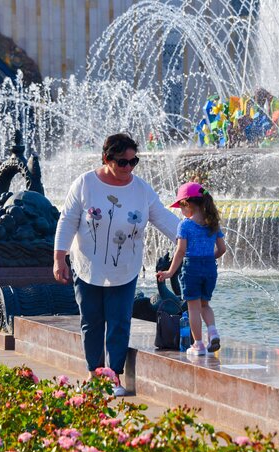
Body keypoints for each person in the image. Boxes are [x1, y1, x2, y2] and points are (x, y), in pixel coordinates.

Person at [53, 133, 179, 396]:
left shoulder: (142, 189)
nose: (129, 168)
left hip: (125, 267)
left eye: (134, 162)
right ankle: (93, 374)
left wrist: (195, 238)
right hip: (88, 265)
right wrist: (59, 257)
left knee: (120, 321)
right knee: (92, 321)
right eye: (123, 162)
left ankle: (114, 377)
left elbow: (165, 219)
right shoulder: (85, 183)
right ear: (106, 159)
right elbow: (67, 221)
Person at [156, 182, 226, 355]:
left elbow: (180, 251)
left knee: (193, 307)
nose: (180, 210)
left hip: (191, 268)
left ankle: (199, 345)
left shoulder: (185, 225)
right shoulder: (213, 224)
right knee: (205, 305)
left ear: (188, 204)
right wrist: (209, 259)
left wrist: (169, 272)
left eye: (181, 206)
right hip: (210, 268)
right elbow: (222, 249)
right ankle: (213, 332)